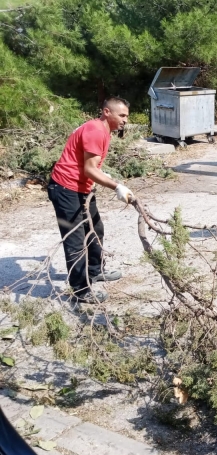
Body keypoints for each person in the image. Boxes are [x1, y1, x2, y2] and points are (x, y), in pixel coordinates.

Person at [47, 96, 134, 304]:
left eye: (127, 116)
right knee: (75, 240)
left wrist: (101, 178)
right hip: (65, 189)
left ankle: (95, 270)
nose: (125, 120)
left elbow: (88, 165)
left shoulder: (101, 129)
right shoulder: (96, 131)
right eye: (121, 115)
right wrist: (116, 186)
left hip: (81, 188)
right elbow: (89, 168)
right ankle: (81, 289)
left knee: (95, 229)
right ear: (106, 112)